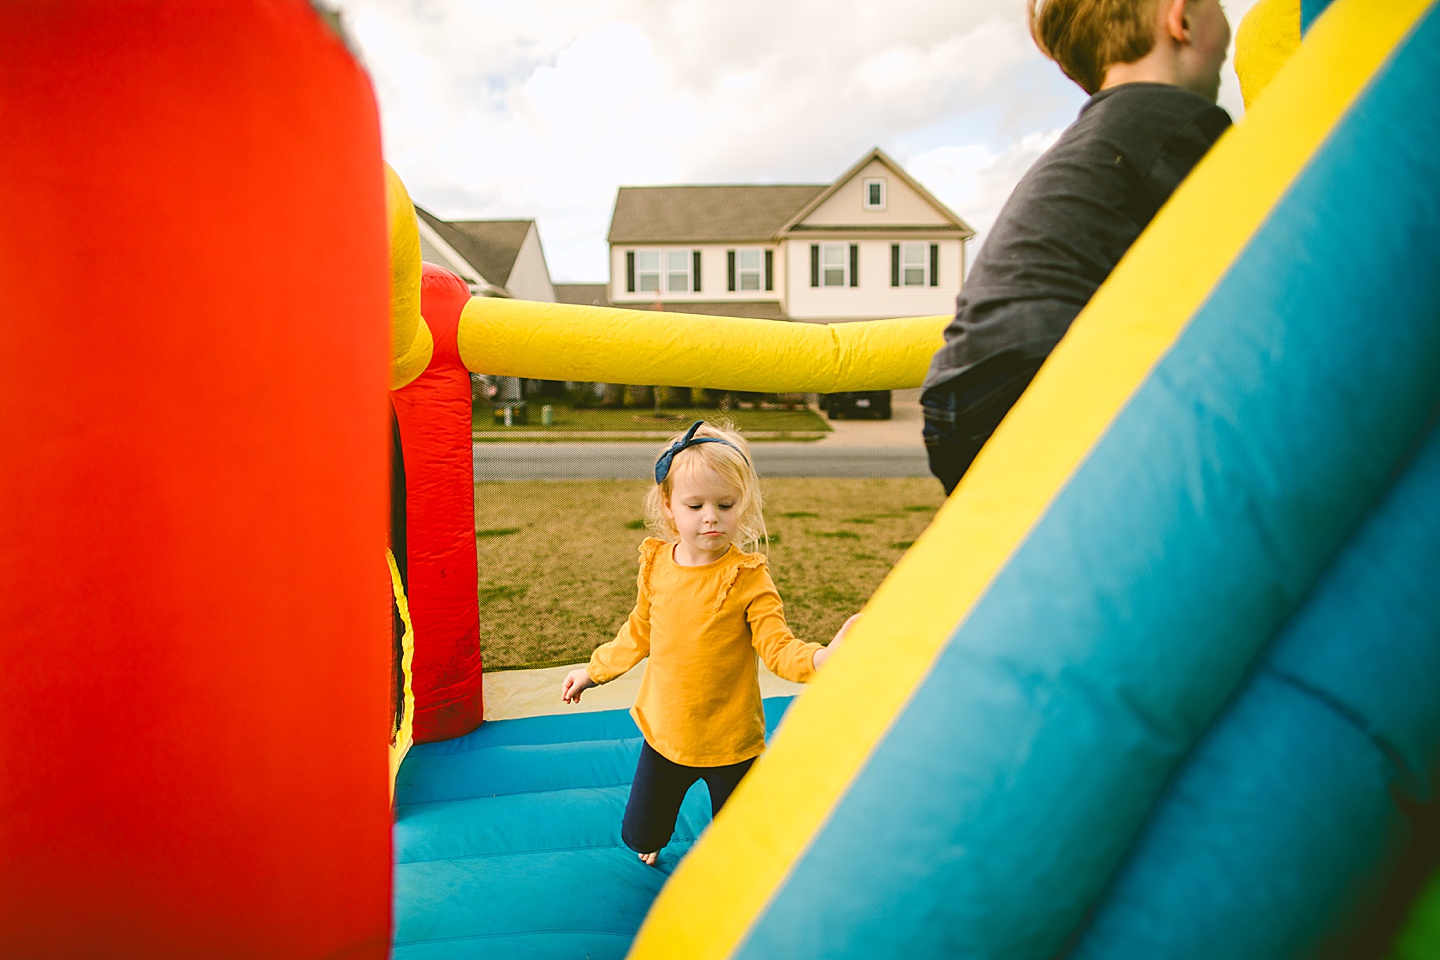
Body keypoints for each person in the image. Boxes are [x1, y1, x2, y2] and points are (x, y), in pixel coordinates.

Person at [921, 0, 1234, 494]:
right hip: (1037, 375)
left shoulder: (1102, 137)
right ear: (1183, 19)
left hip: (961, 395)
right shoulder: (1176, 121)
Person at [560, 420, 856, 866]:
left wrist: (821, 659)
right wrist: (594, 671)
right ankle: (654, 837)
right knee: (639, 833)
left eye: (725, 503)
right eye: (695, 504)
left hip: (731, 741)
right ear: (669, 506)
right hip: (666, 734)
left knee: (742, 847)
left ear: (744, 505)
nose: (711, 516)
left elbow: (777, 646)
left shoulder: (747, 577)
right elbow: (640, 628)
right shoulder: (657, 563)